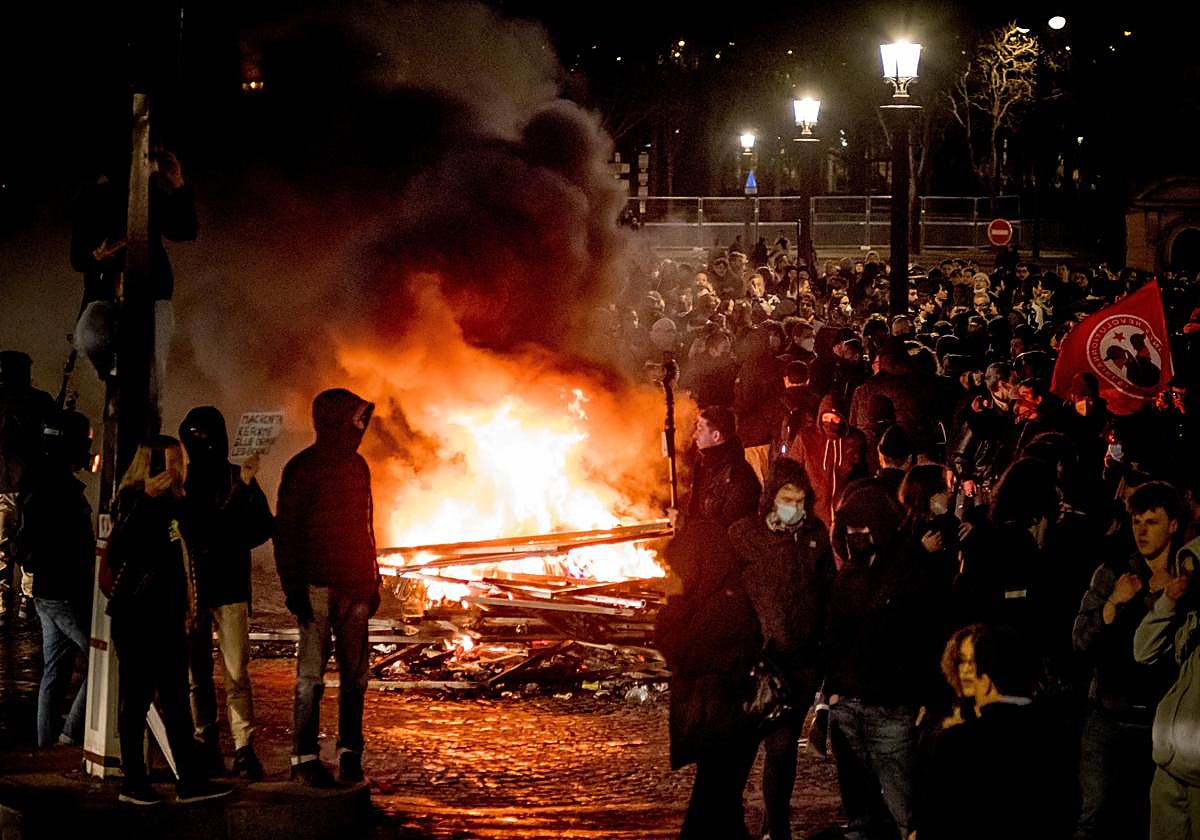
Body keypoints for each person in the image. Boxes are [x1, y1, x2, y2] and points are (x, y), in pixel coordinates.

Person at [105, 435, 232, 805]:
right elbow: (126, 545)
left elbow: (197, 542)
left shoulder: (179, 504)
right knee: (138, 699)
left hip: (168, 615)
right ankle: (133, 783)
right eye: (172, 460)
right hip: (139, 616)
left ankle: (189, 781)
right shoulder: (131, 499)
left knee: (176, 701)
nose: (178, 466)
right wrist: (147, 500)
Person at [275, 388, 381, 786]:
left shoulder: (358, 466)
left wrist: (373, 580)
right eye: (354, 420)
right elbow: (285, 532)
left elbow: (366, 525)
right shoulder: (303, 468)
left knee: (355, 678)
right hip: (317, 587)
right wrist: (293, 588)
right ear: (334, 422)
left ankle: (350, 754)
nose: (360, 427)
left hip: (355, 587)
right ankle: (304, 758)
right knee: (311, 679)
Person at [1072, 481, 1187, 840]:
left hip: (1160, 720)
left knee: (1151, 818)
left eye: (1151, 522)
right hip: (1109, 714)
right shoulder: (1114, 573)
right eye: (1137, 522)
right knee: (1095, 814)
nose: (1141, 531)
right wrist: (1113, 606)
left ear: (1173, 525)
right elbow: (1080, 642)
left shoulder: (1186, 579)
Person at [729, 458, 835, 840]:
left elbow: (827, 590)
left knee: (782, 746)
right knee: (740, 751)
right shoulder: (744, 535)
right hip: (755, 664)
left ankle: (778, 826)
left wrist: (823, 649)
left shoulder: (814, 535)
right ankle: (733, 820)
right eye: (789, 499)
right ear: (772, 497)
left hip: (800, 661)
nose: (797, 508)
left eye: (802, 500)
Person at [179, 407, 274, 780]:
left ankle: (239, 747)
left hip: (222, 588)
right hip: (200, 589)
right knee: (203, 673)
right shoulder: (188, 481)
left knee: (231, 673)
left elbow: (261, 528)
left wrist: (245, 494)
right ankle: (214, 744)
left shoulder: (234, 478)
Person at [913, 624, 1075, 840]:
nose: (968, 670)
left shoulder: (958, 739)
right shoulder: (942, 726)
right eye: (962, 660)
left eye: (975, 662)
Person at [656, 515, 761, 839]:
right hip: (712, 720)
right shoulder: (698, 600)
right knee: (721, 801)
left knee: (714, 798)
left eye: (676, 570)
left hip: (723, 719)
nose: (670, 578)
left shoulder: (727, 605)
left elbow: (683, 650)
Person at [70, 147, 196, 384]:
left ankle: (144, 407)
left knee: (152, 372)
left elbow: (185, 230)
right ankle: (114, 382)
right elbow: (77, 257)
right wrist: (96, 255)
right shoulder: (92, 198)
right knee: (90, 337)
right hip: (105, 293)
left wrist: (178, 185)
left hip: (153, 294)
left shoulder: (152, 194)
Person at [15, 409, 94, 747]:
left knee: (55, 670)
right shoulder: (59, 488)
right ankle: (68, 734)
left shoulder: (37, 478)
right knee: (105, 660)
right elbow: (70, 541)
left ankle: (45, 744)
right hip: (64, 589)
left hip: (47, 589)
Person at [1133, 534, 1200, 840]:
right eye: (1184, 571)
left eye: (1193, 573)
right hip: (1169, 765)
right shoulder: (1189, 619)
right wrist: (1169, 601)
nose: (1187, 580)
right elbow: (1144, 651)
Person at [0, 350, 57, 628]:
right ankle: (27, 600)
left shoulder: (34, 402)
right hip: (31, 483)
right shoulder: (40, 402)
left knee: (4, 548)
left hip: (10, 485)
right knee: (30, 545)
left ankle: (3, 606)